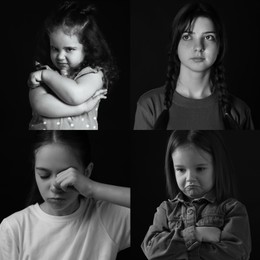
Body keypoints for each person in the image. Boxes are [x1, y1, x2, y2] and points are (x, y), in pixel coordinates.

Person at [0, 131, 130, 260]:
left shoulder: (108, 218)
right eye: (44, 175)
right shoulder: (14, 228)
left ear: (87, 172)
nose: (55, 187)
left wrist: (92, 188)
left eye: (66, 175)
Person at [134, 1, 254, 130]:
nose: (198, 47)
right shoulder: (150, 105)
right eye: (187, 37)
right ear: (176, 45)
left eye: (208, 37)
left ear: (219, 46)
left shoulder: (239, 111)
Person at [141, 130, 251, 259]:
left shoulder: (232, 209)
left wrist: (175, 251)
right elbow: (151, 250)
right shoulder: (165, 210)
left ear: (217, 167)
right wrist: (196, 234)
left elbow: (237, 254)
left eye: (200, 169)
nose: (189, 178)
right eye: (181, 170)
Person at [28, 0, 118, 130]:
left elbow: (74, 95)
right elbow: (40, 105)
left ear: (87, 48)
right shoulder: (42, 71)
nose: (60, 56)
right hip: (45, 138)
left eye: (69, 49)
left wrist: (46, 76)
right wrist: (83, 108)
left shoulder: (94, 74)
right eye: (54, 48)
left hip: (77, 139)